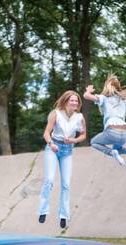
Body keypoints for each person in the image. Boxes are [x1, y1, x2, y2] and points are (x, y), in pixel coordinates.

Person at [38, 90, 86, 229]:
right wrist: (51, 144)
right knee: (49, 181)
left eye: (76, 101)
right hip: (53, 148)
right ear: (65, 101)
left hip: (67, 151)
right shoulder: (56, 114)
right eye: (72, 100)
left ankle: (64, 216)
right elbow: (46, 133)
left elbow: (83, 135)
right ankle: (43, 211)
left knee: (66, 185)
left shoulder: (80, 117)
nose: (74, 103)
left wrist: (74, 140)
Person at [83, 74, 126, 166]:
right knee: (118, 149)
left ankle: (111, 153)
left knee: (94, 142)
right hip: (124, 134)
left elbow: (86, 96)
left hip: (112, 131)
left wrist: (88, 91)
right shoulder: (123, 102)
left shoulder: (104, 99)